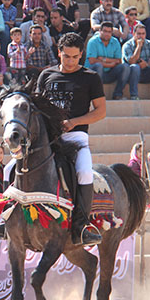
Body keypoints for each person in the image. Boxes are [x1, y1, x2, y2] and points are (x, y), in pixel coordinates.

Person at [34, 32, 105, 246]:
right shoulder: (46, 75)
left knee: (84, 172)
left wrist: (74, 122)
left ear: (81, 54)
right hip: (47, 137)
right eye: (67, 56)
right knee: (10, 168)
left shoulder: (90, 77)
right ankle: (7, 220)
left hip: (76, 135)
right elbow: (37, 106)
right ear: (59, 53)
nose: (71, 61)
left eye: (75, 57)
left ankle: (81, 226)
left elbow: (100, 111)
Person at [85, 21, 131, 100]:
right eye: (105, 31)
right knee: (98, 66)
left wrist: (103, 59)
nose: (107, 34)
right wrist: (111, 63)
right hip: (93, 74)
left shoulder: (115, 42)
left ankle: (118, 94)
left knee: (125, 67)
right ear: (100, 31)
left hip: (109, 72)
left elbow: (119, 61)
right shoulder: (93, 42)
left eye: (109, 32)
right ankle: (97, 96)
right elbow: (92, 61)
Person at [122, 24, 150, 100]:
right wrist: (139, 46)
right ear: (133, 34)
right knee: (135, 67)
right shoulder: (127, 45)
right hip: (132, 74)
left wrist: (147, 64)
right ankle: (134, 95)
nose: (141, 36)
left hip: (146, 71)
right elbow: (132, 61)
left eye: (143, 34)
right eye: (138, 34)